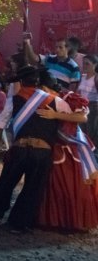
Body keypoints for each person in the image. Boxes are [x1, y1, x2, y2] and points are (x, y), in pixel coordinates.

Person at [0, 65, 73, 232]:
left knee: (7, 179)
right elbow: (70, 119)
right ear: (38, 81)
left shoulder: (13, 100)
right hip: (42, 151)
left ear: (21, 82)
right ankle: (19, 223)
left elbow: (0, 125)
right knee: (33, 187)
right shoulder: (56, 100)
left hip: (19, 149)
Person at [35, 71, 98, 232]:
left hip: (72, 145)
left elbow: (83, 118)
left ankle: (73, 220)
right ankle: (55, 220)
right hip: (55, 144)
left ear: (44, 87)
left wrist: (55, 114)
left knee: (71, 181)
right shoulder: (43, 100)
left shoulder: (68, 96)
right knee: (54, 182)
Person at [78, 55, 98, 145]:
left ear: (95, 65)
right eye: (83, 63)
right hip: (82, 105)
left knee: (90, 131)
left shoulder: (96, 78)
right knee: (81, 130)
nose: (84, 66)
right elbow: (78, 91)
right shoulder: (83, 76)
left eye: (87, 64)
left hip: (92, 106)